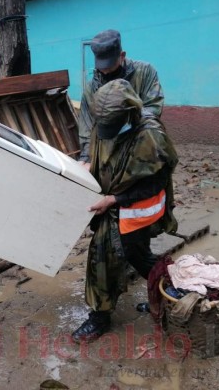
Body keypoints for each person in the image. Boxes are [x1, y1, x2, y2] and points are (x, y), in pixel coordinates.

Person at [71, 78, 178, 342]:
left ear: (129, 112)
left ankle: (101, 317)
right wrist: (85, 163)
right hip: (110, 204)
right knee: (133, 256)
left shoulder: (150, 136)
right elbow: (96, 147)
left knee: (109, 257)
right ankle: (168, 295)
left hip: (135, 210)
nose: (104, 130)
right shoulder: (106, 122)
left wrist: (115, 199)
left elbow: (157, 182)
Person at [78, 29, 164, 166]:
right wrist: (87, 157)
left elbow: (154, 108)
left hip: (141, 145)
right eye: (101, 67)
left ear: (122, 56)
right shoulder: (92, 87)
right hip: (106, 150)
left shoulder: (145, 72)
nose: (105, 71)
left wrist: (124, 123)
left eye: (110, 67)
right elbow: (87, 127)